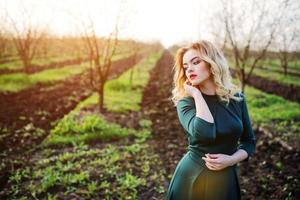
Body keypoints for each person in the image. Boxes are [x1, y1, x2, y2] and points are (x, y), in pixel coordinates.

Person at [166, 40, 257, 200]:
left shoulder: (237, 99)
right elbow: (205, 133)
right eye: (186, 66)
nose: (190, 69)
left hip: (226, 178)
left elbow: (249, 141)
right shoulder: (186, 102)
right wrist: (197, 95)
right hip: (192, 177)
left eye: (196, 62)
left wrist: (231, 160)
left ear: (211, 63)